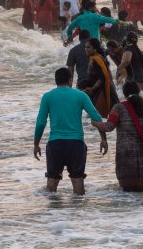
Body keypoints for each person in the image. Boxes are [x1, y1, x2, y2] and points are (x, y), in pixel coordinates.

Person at [33, 67, 108, 195]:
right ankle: (77, 213)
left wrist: (36, 144)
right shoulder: (80, 95)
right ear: (70, 80)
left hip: (55, 143)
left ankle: (52, 213)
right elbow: (96, 117)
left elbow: (41, 123)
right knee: (77, 179)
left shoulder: (48, 97)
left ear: (55, 81)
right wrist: (103, 139)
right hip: (76, 143)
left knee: (52, 180)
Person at [91, 81, 143, 194]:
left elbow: (109, 127)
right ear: (138, 92)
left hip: (127, 153)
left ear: (125, 94)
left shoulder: (119, 108)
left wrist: (95, 123)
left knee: (130, 193)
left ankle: (131, 208)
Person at [81, 38, 119, 117]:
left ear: (95, 49)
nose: (86, 49)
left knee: (99, 117)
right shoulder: (94, 58)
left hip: (100, 91)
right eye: (85, 47)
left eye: (88, 47)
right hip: (96, 91)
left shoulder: (97, 59)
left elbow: (102, 77)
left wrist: (92, 88)